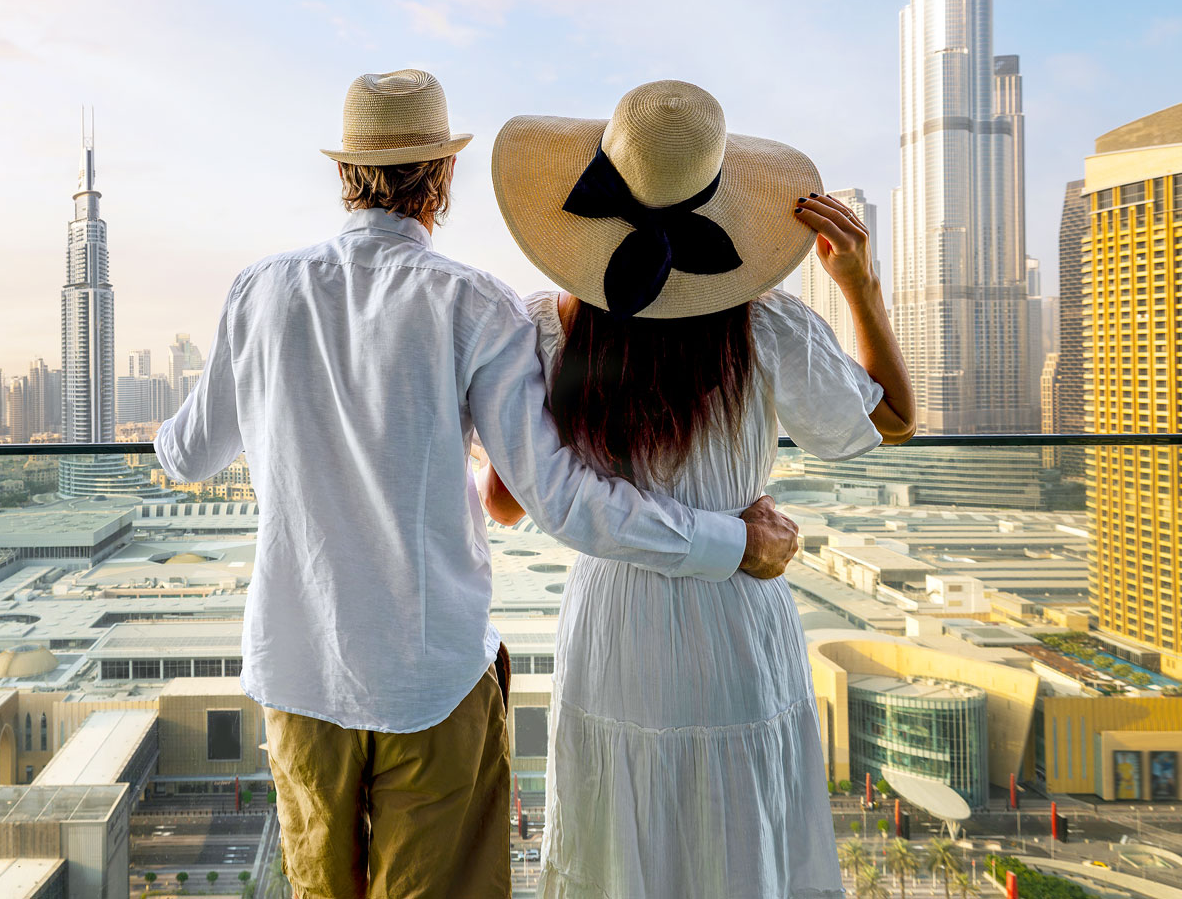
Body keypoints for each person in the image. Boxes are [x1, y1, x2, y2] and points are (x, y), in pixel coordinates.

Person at [156, 69, 802, 899]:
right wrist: (732, 542)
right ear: (444, 174)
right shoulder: (474, 304)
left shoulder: (260, 291)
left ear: (343, 171)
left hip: (299, 673)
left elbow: (186, 456)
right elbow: (558, 499)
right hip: (432, 676)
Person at [480, 79, 916, 899]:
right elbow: (892, 419)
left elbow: (505, 503)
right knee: (740, 838)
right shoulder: (766, 322)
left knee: (619, 841)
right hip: (738, 616)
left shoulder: (546, 327)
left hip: (616, 625)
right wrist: (861, 285)